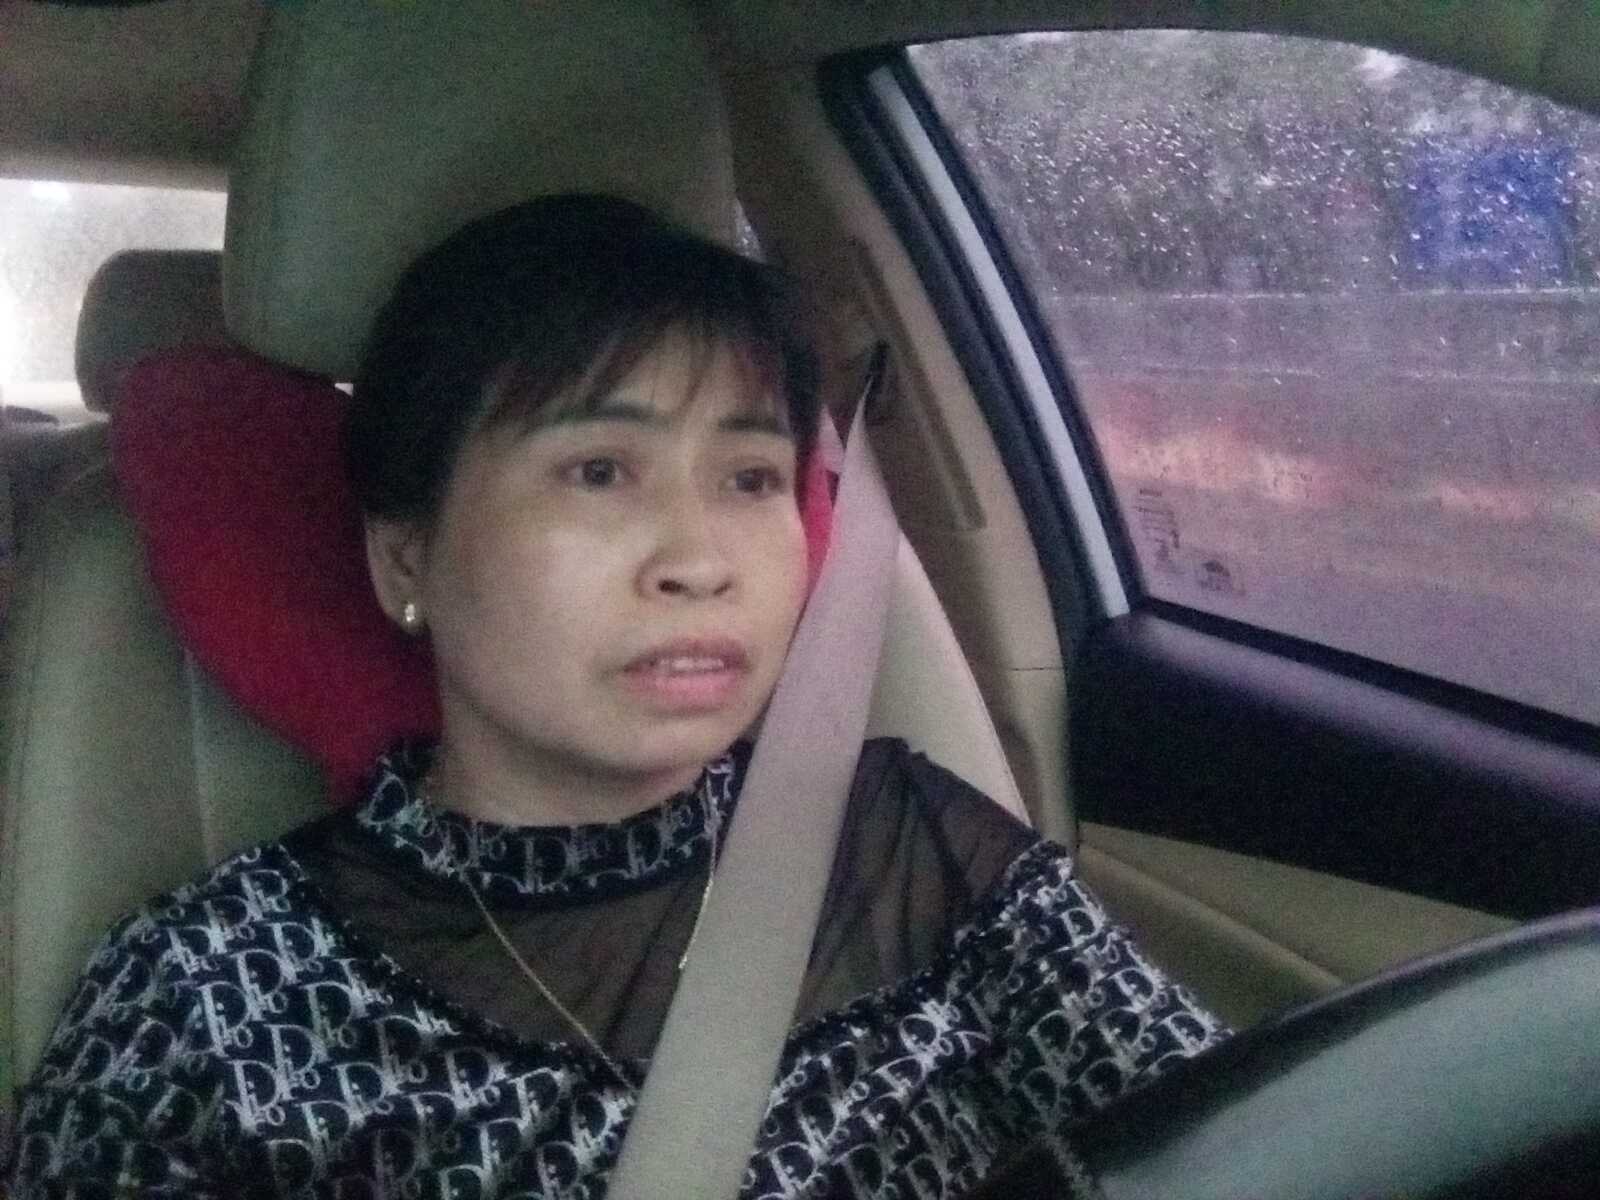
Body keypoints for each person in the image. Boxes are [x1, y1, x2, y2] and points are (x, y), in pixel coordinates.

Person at [3, 194, 1226, 1199]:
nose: (700, 560)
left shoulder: (913, 846)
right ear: (406, 558)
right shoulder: (213, 995)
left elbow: (1231, 1139)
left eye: (751, 477)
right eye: (599, 470)